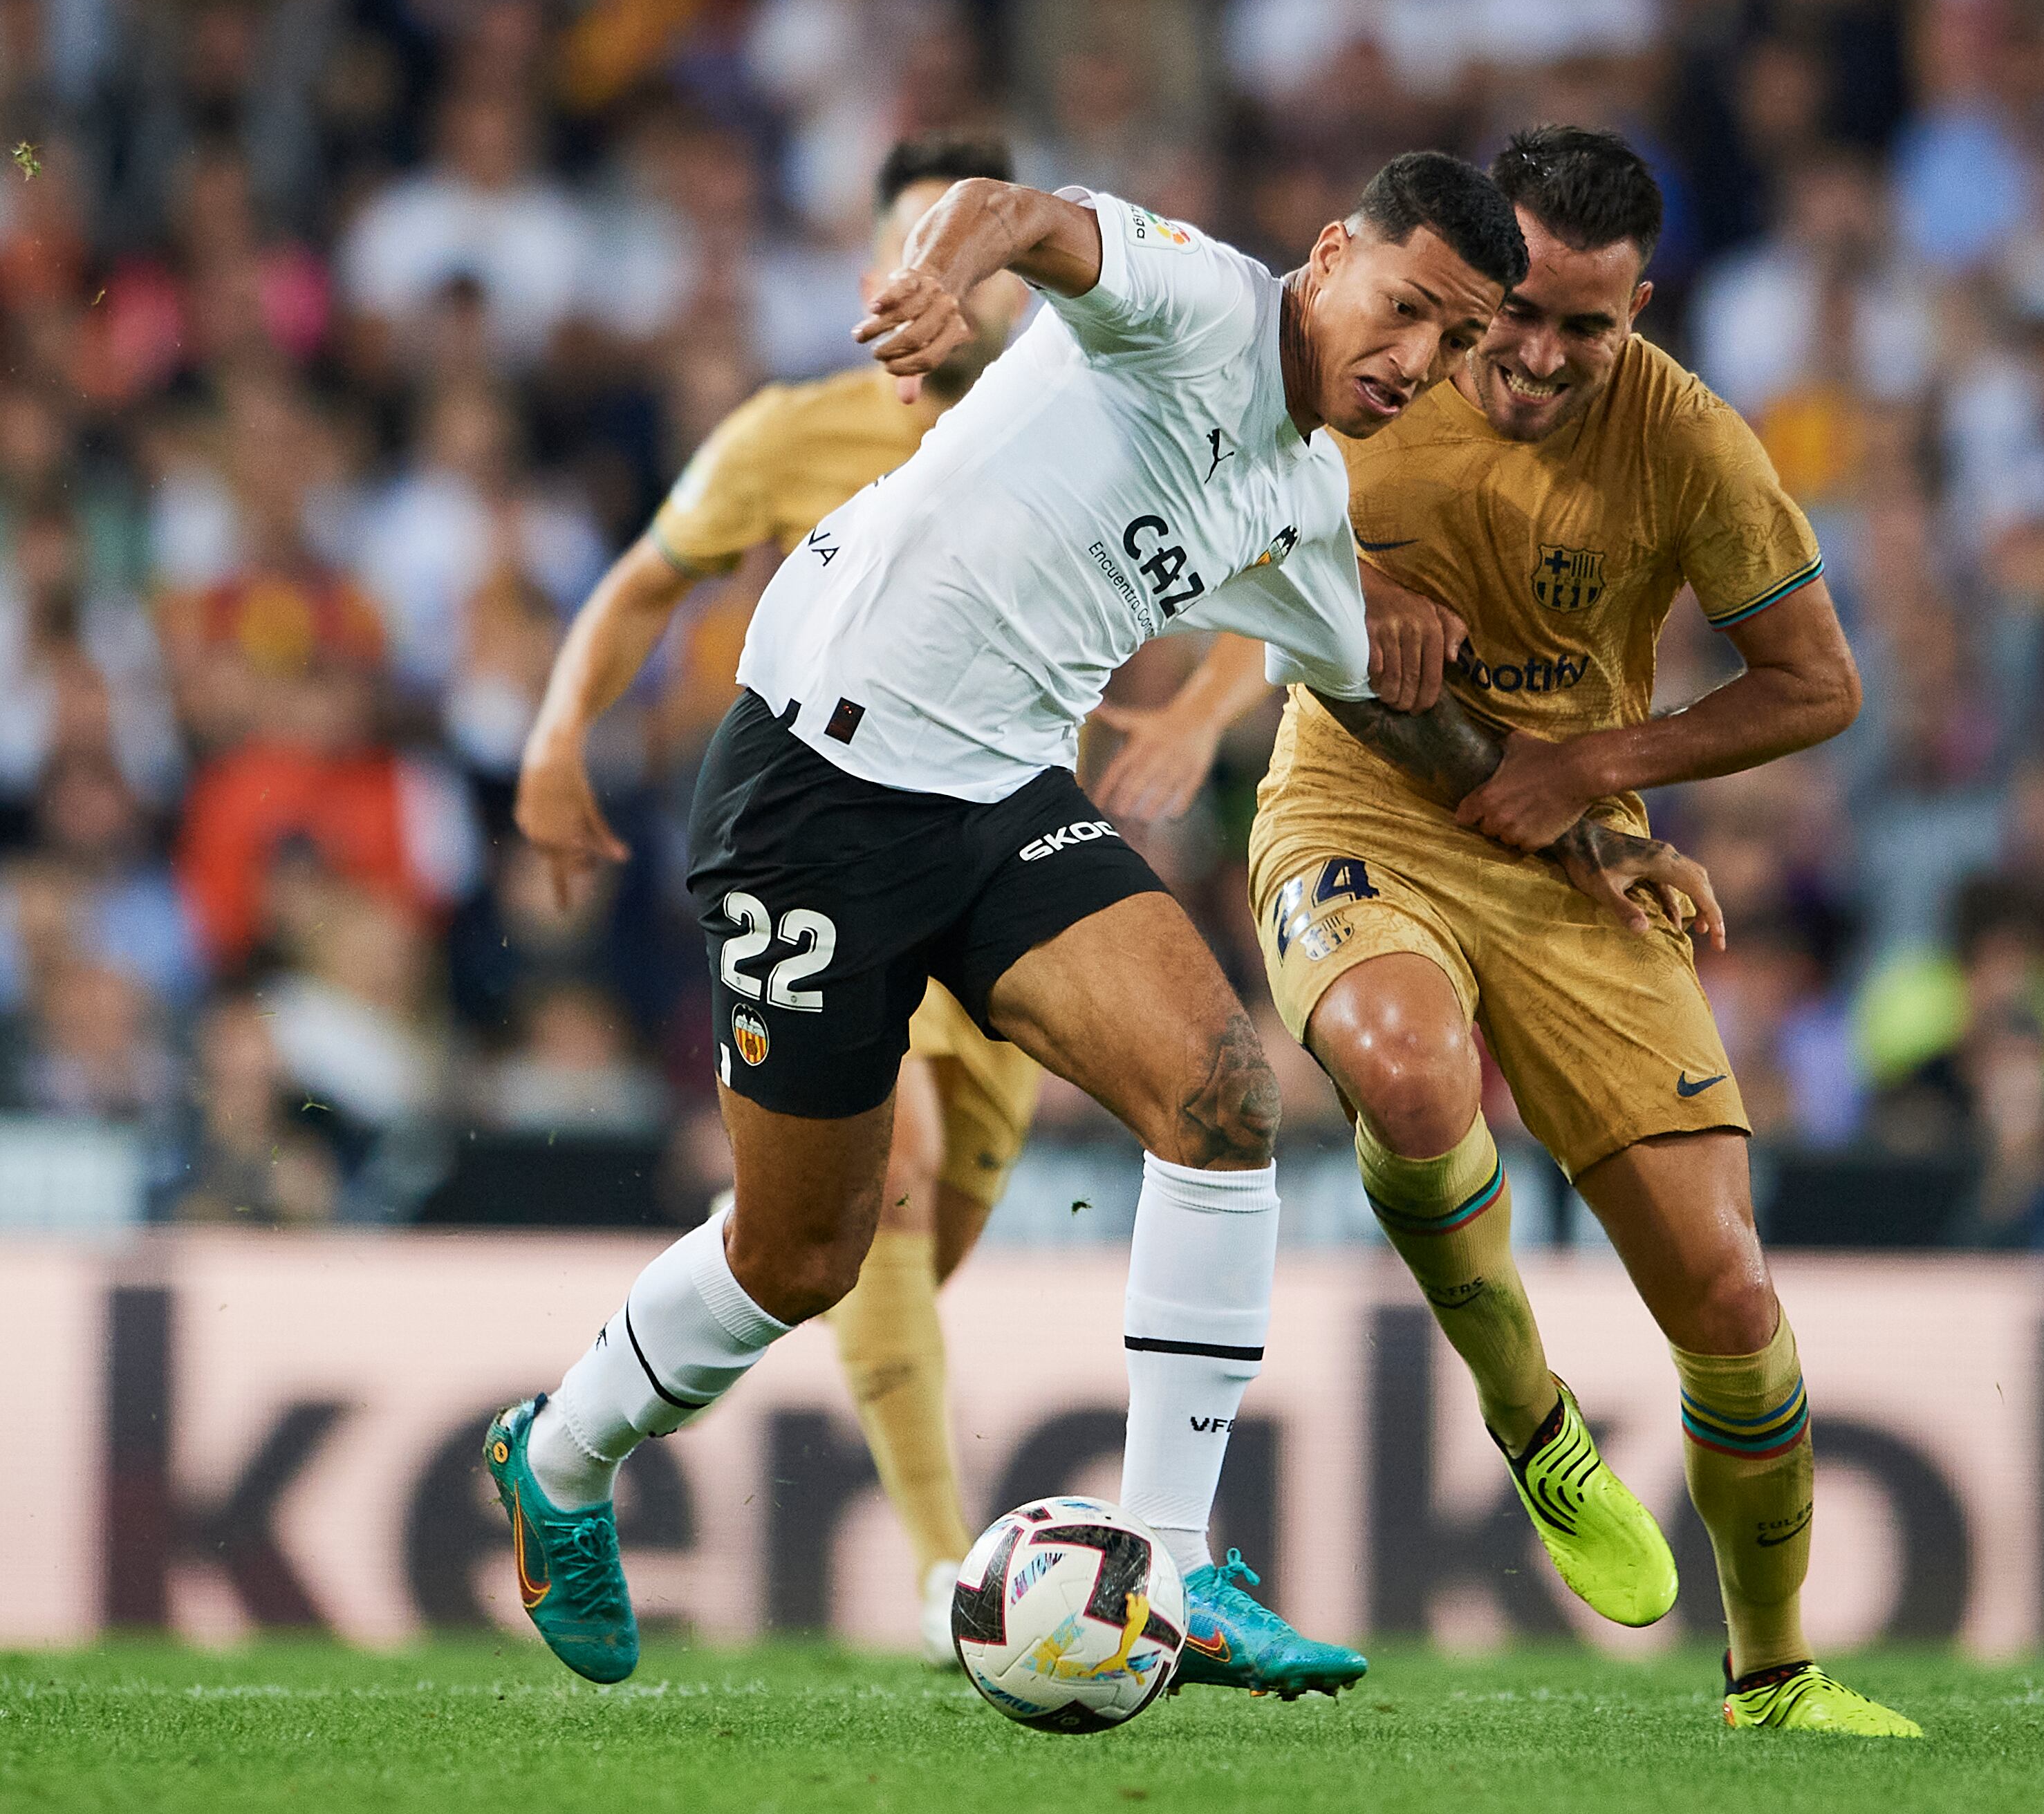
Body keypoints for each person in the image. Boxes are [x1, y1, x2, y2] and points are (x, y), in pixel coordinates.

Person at [486, 148, 1706, 1696]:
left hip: (995, 793)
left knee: (1222, 1098)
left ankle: (1176, 1567)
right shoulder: (1192, 298)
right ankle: (562, 1454)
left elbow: (1385, 708)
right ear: (1327, 259)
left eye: (1461, 341)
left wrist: (1589, 831)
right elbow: (1017, 209)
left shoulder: (1299, 491)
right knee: (801, 1252)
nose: (1422, 363)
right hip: (814, 785)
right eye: (1409, 310)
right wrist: (945, 272)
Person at [1245, 127, 1914, 1737]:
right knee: (1411, 1077)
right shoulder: (1358, 368)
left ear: (1642, 307)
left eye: (1587, 327)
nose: (1539, 356)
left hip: (1569, 849)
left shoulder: (1685, 439)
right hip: (1355, 812)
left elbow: (1818, 681)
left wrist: (1599, 774)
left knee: (1731, 1301)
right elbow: (1220, 528)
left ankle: (1772, 1675)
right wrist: (1321, 589)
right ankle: (1533, 1421)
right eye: (1515, 313)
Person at [512, 136, 1198, 1666]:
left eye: (975, 253)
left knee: (840, 1252)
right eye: (915, 253)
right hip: (833, 842)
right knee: (887, 1194)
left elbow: (1261, 530)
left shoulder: (1078, 414)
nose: (945, 284)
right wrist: (559, 733)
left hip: (1007, 853)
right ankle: (947, 1573)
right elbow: (643, 578)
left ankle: (703, 1284)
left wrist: (1207, 702)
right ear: (881, 282)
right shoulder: (785, 432)